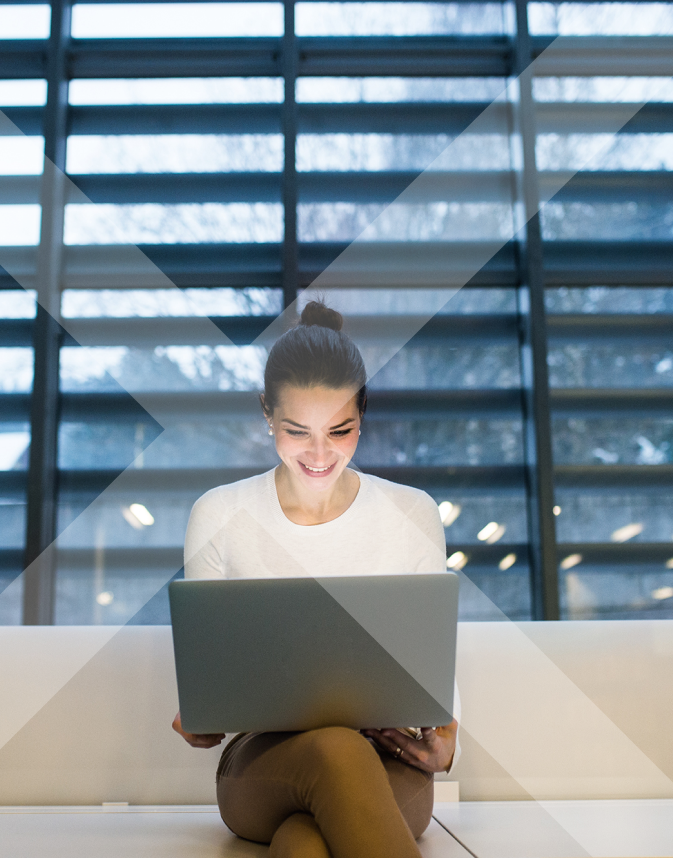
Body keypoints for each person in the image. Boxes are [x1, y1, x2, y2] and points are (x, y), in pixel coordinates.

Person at [173, 299, 459, 858]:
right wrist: (202, 717)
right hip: (263, 763)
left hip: (387, 761)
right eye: (297, 431)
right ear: (266, 413)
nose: (321, 454)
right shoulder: (219, 514)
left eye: (341, 429)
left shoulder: (412, 513)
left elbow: (433, 661)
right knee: (333, 753)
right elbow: (207, 688)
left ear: (364, 413)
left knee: (305, 844)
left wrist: (445, 744)